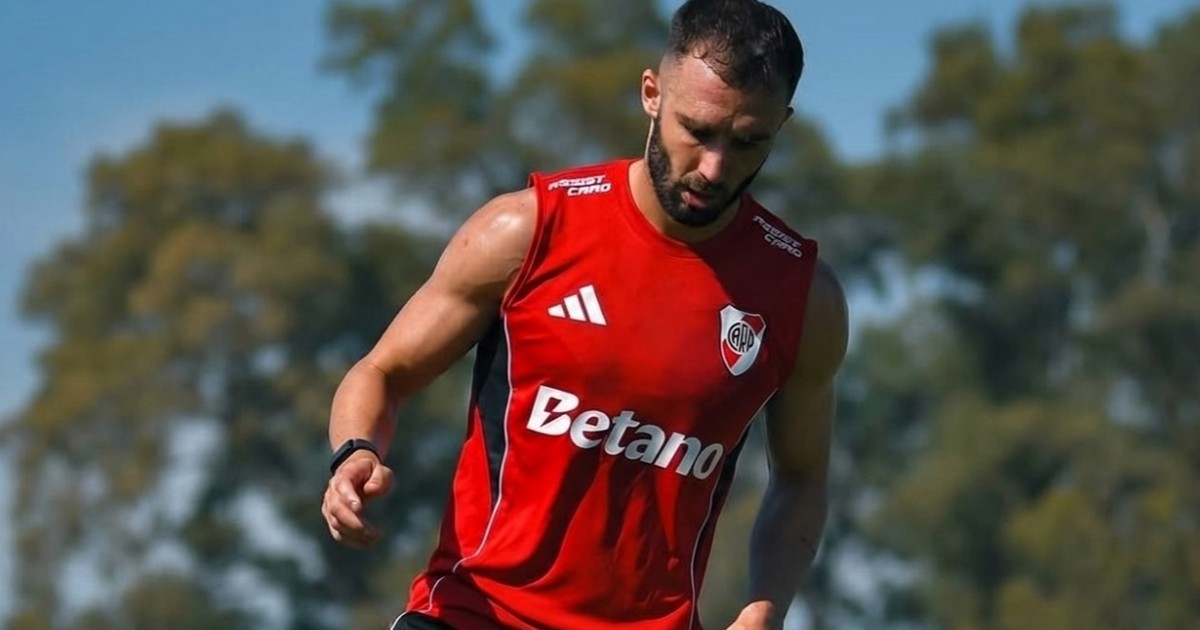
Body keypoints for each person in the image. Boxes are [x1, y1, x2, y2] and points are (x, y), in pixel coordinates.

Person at [321, 0, 848, 628]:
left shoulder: (802, 296)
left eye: (747, 142)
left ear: (781, 125)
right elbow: (382, 372)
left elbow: (802, 478)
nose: (713, 167)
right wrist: (354, 452)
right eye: (697, 131)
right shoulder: (526, 230)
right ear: (651, 94)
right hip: (470, 615)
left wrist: (766, 608)